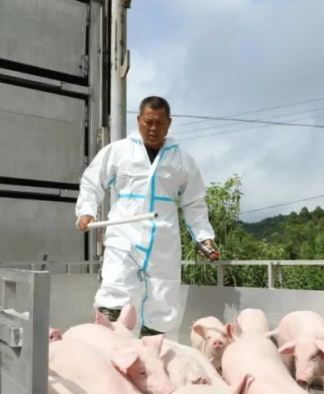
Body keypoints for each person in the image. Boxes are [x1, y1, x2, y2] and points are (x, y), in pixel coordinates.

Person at [75, 95, 218, 337]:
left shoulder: (181, 159)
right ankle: (107, 348)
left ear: (169, 123)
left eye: (159, 123)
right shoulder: (119, 151)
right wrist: (87, 211)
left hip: (163, 238)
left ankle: (152, 357)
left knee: (163, 298)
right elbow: (92, 181)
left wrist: (204, 237)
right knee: (115, 288)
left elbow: (194, 203)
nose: (153, 128)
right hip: (123, 233)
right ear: (138, 120)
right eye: (148, 122)